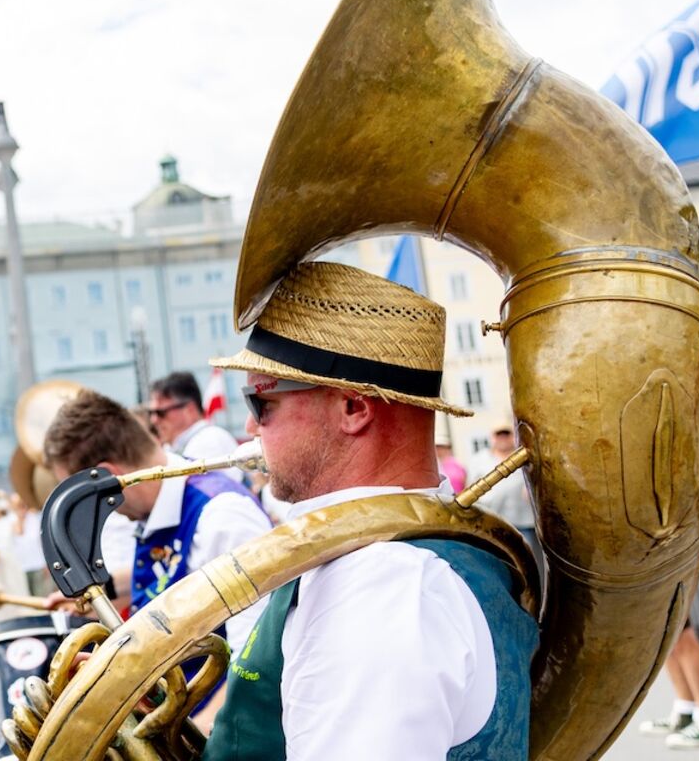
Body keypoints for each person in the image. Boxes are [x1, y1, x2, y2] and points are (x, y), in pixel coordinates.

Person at [200, 261, 536, 758]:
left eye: (260, 404)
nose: (251, 430)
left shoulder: (381, 583)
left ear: (353, 408)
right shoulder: (382, 560)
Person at [43, 387, 272, 724]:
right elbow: (181, 577)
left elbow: (256, 657)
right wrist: (103, 591)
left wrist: (197, 735)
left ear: (107, 478)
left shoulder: (221, 517)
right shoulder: (161, 503)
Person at [146, 372, 244, 481]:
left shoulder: (209, 441)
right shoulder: (176, 446)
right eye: (151, 413)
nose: (154, 420)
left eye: (161, 412)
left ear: (189, 409)